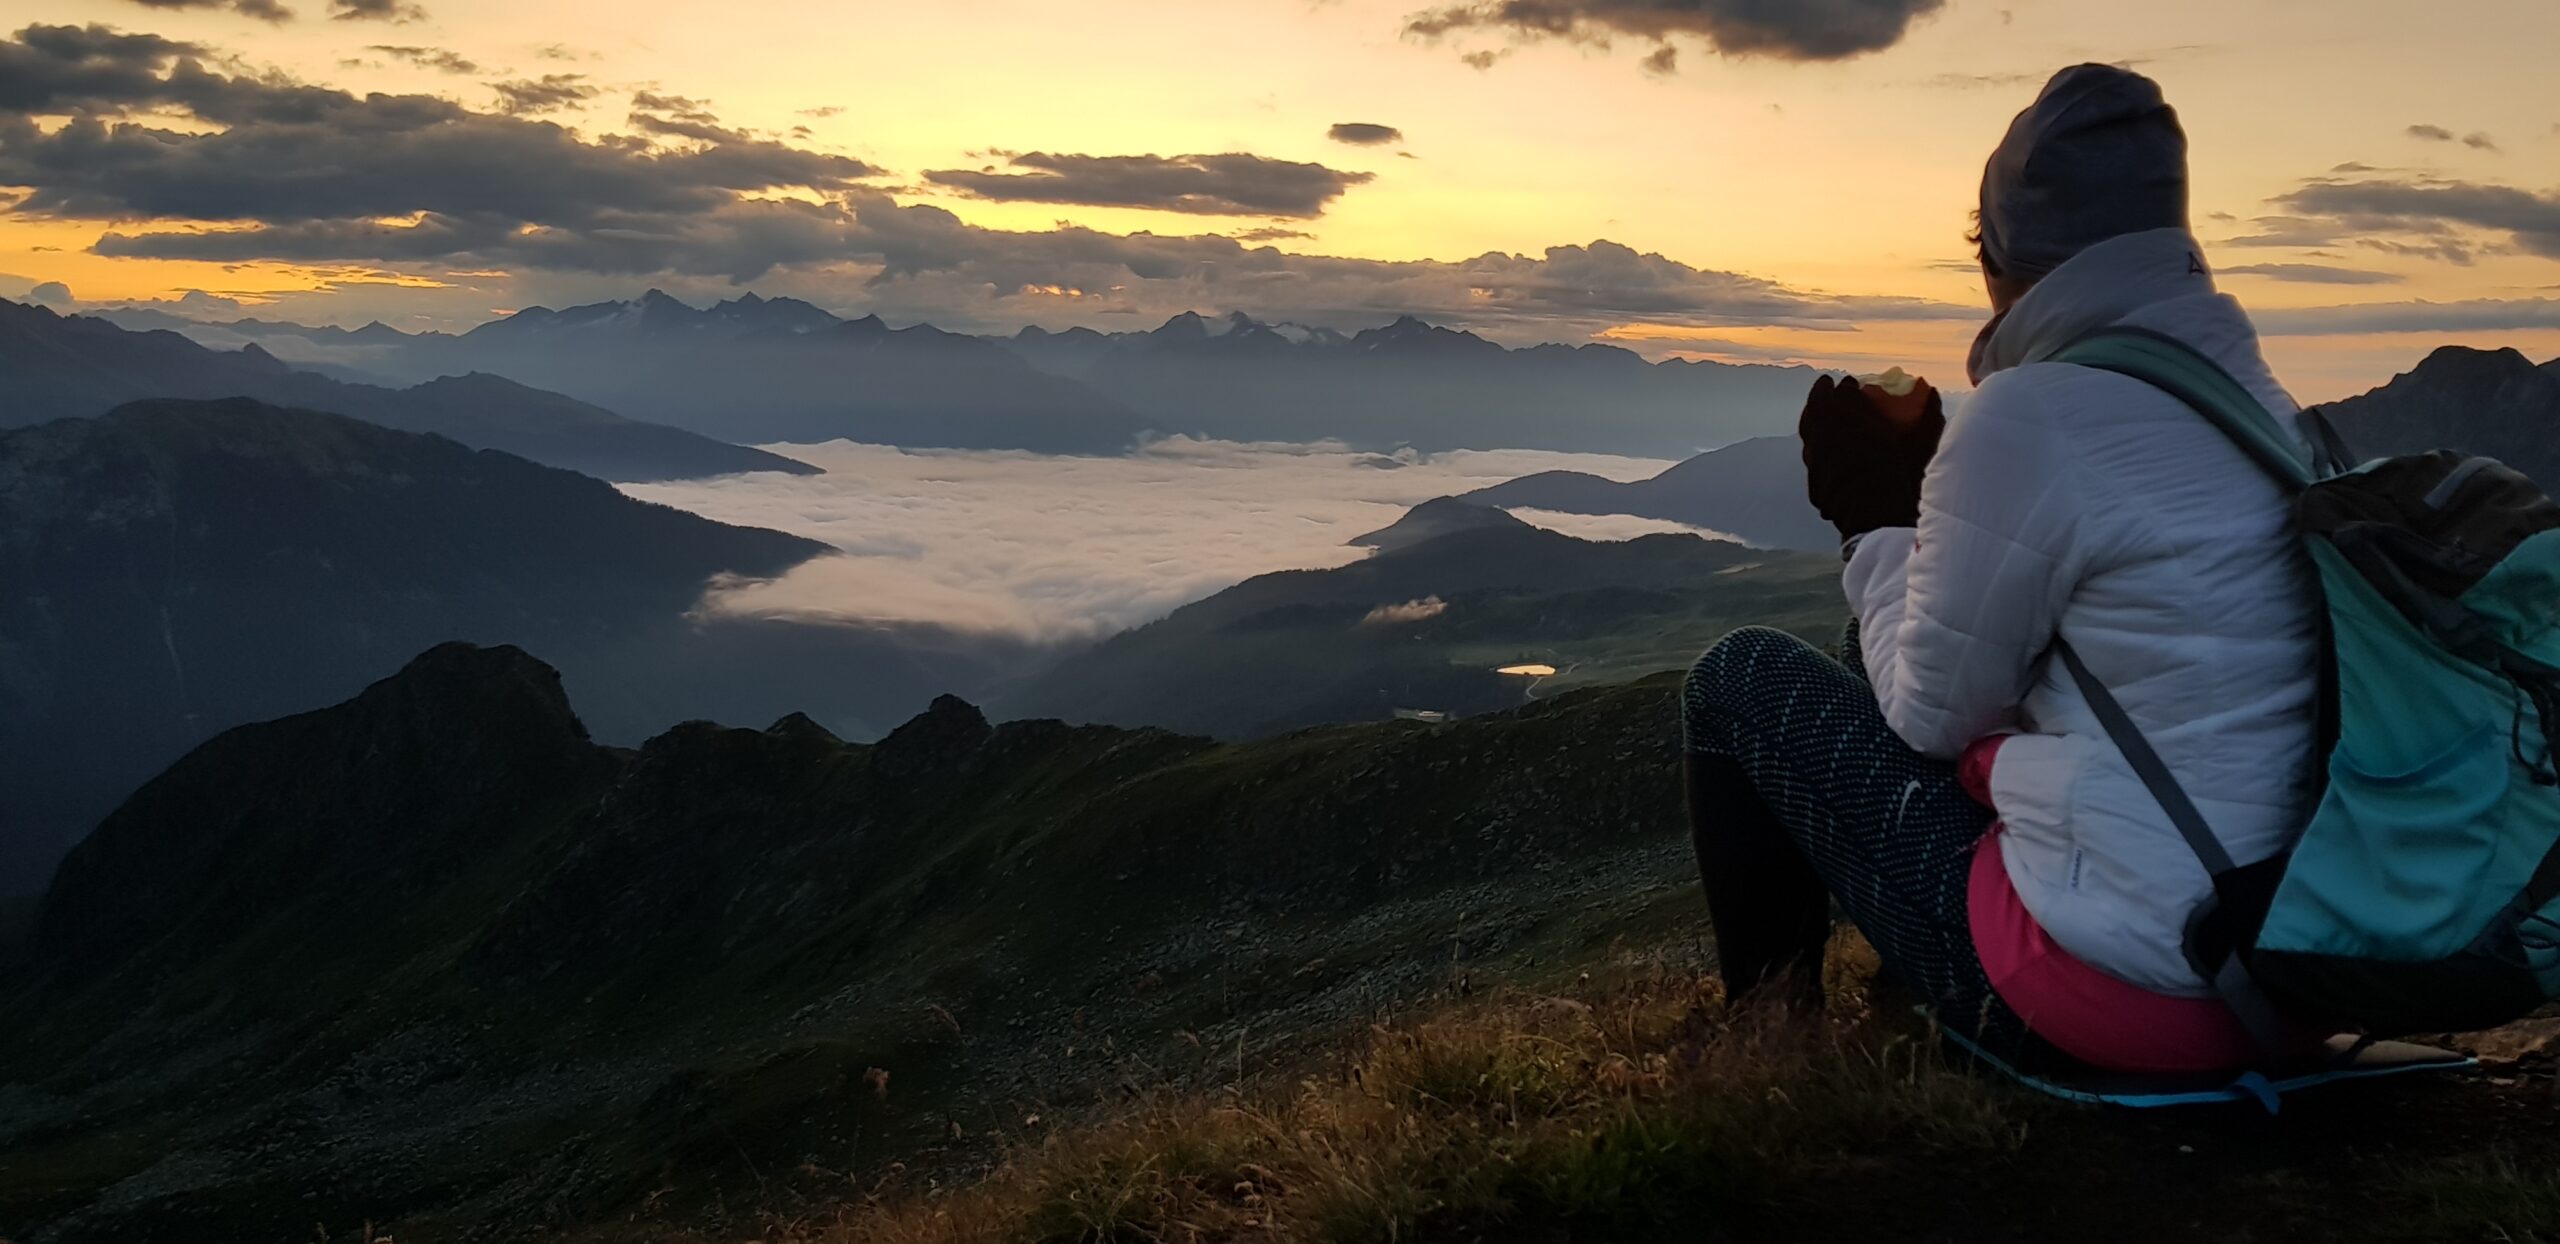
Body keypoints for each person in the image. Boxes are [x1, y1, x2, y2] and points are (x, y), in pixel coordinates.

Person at [1680, 63, 2322, 1073]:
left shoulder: (2036, 413)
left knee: (1736, 677)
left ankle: (1770, 1050)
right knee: (1874, 638)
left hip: (2133, 985)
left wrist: (1872, 520)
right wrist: (1932, 511)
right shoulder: (2254, 399)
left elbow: (1935, 715)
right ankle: (1891, 1002)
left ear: (2008, 252)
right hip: (2290, 967)